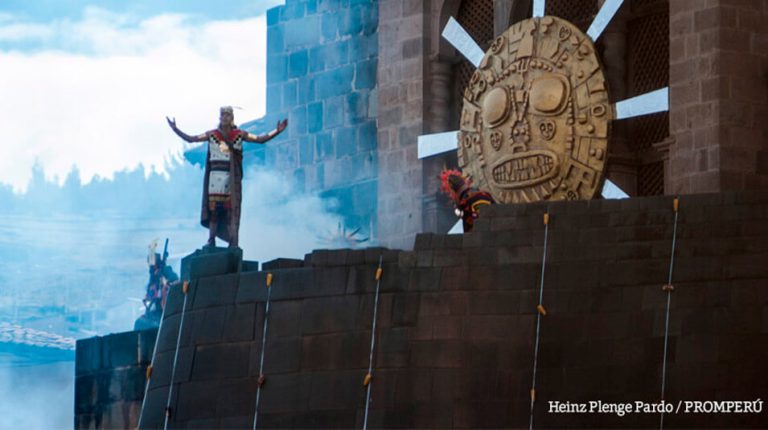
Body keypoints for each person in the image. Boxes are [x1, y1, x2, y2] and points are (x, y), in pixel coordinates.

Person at [167, 107, 287, 248]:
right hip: (215, 177)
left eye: (227, 115)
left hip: (231, 177)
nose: (224, 117)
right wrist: (176, 129)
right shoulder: (212, 134)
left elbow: (260, 139)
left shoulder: (239, 134)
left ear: (232, 117)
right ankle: (211, 240)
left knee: (231, 210)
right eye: (222, 115)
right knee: (214, 210)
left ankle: (232, 241)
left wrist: (277, 131)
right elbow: (192, 139)